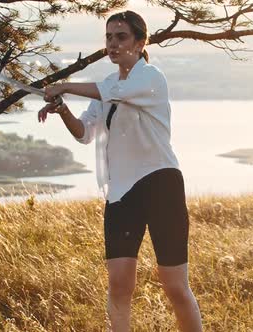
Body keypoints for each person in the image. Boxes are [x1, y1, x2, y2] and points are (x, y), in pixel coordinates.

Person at [38, 10, 202, 332]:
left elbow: (110, 93)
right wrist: (62, 108)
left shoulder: (151, 77)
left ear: (141, 43)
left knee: (174, 285)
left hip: (160, 184)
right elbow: (84, 133)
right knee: (119, 285)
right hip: (121, 194)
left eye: (121, 37)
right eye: (109, 37)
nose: (113, 44)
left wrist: (62, 86)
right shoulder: (108, 85)